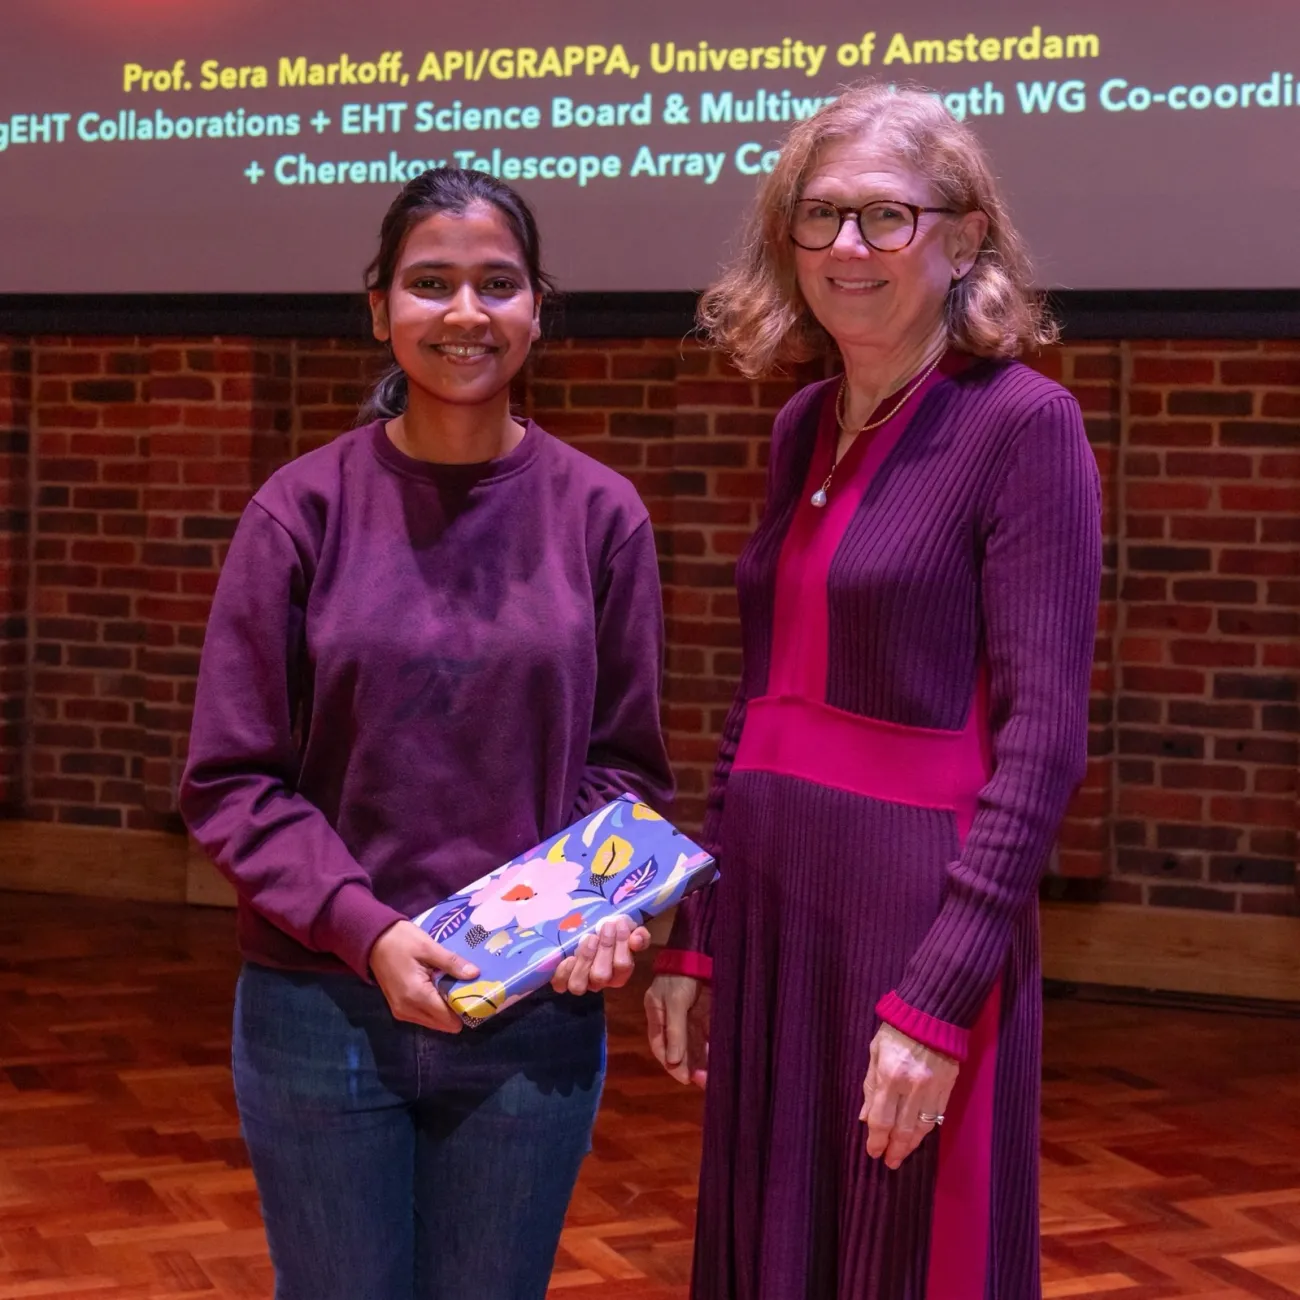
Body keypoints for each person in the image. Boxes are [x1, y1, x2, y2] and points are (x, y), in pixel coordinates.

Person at [180, 167, 673, 1300]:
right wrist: (369, 934)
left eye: (496, 284)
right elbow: (233, 779)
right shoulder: (298, 511)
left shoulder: (601, 515)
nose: (465, 313)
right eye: (431, 283)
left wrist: (601, 908)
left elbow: (624, 770)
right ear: (379, 308)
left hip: (530, 1018)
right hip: (318, 1009)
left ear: (536, 308)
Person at [645, 83, 1101, 1299]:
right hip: (779, 903)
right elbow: (763, 698)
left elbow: (1046, 742)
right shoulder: (801, 423)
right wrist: (702, 932)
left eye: (887, 217)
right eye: (821, 214)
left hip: (914, 911)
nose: (847, 247)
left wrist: (940, 996)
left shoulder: (1024, 425)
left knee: (904, 1257)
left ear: (962, 239)